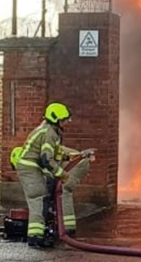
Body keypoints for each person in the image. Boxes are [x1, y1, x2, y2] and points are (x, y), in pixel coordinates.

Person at [10, 102, 95, 247]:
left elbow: (55, 154)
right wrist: (61, 174)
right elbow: (46, 159)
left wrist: (77, 156)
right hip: (29, 168)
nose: (66, 122)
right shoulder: (49, 133)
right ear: (55, 119)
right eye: (64, 119)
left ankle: (39, 235)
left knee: (42, 198)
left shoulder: (50, 131)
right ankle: (36, 238)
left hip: (32, 167)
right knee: (38, 197)